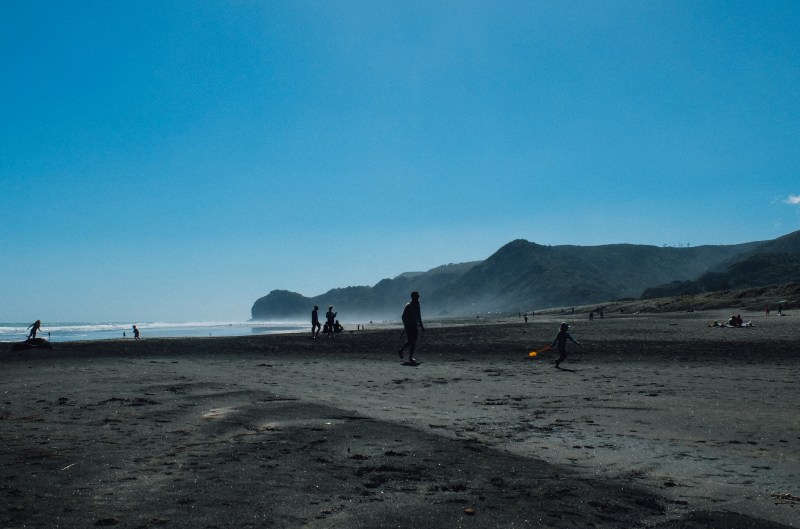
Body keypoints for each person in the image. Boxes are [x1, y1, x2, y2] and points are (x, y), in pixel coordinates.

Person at [398, 291, 424, 363]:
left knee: (413, 342)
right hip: (409, 326)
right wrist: (406, 325)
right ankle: (402, 350)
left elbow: (419, 316)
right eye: (417, 296)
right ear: (413, 297)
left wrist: (421, 326)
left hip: (414, 325)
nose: (418, 297)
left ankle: (410, 357)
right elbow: (403, 317)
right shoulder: (408, 305)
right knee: (410, 341)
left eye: (418, 296)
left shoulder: (418, 305)